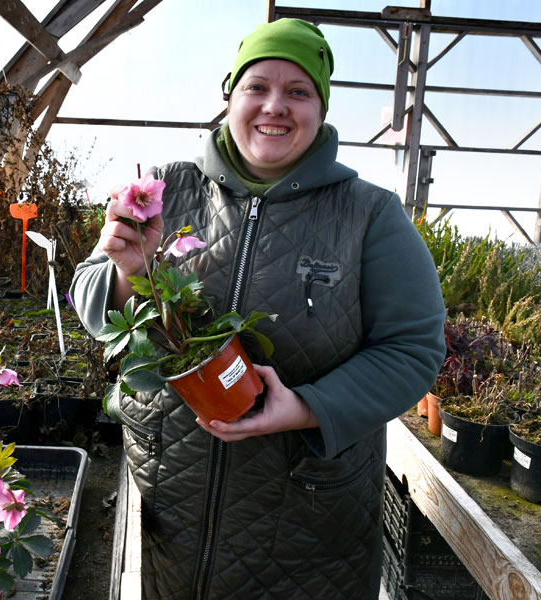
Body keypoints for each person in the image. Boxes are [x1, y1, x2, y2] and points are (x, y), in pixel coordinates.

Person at [70, 18, 446, 600]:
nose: (275, 106)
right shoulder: (169, 185)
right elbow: (89, 296)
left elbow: (413, 350)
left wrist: (304, 407)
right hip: (177, 509)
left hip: (307, 528)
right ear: (229, 97)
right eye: (257, 87)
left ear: (321, 109)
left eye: (298, 92)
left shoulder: (369, 215)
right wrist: (128, 273)